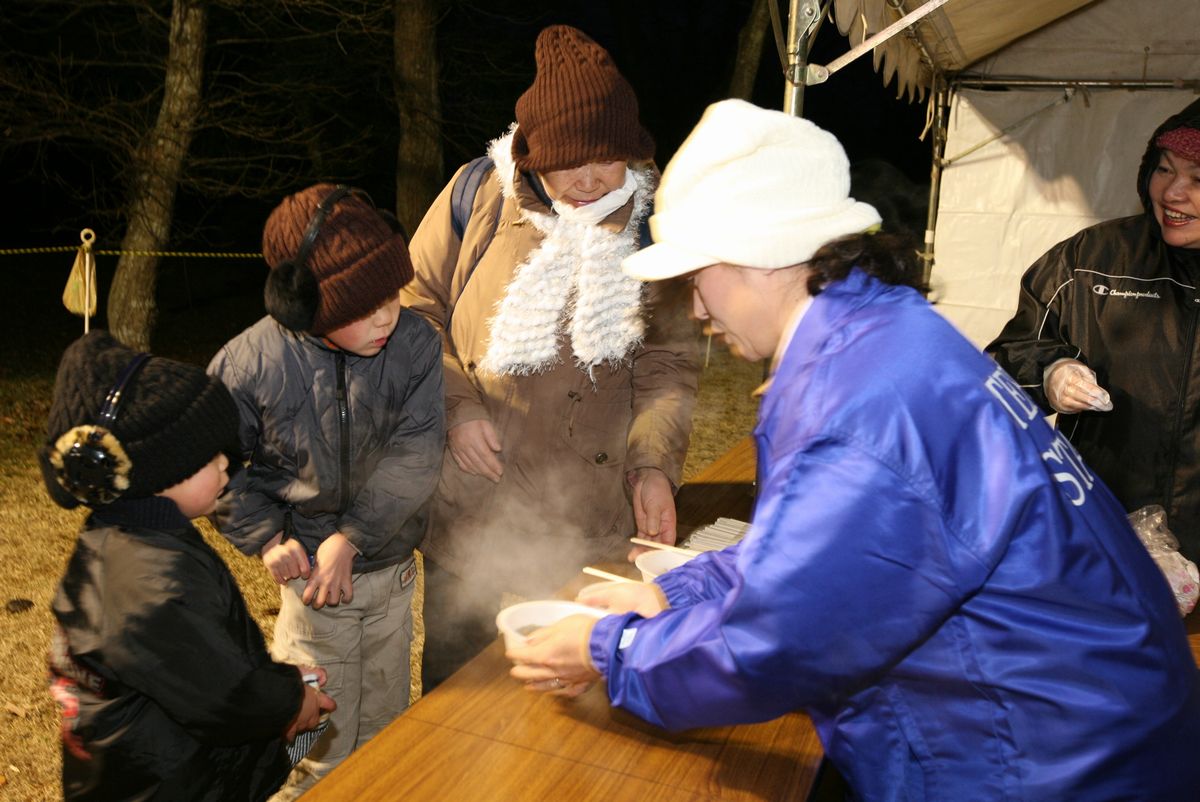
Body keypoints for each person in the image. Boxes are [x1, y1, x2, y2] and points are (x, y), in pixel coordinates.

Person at [507, 99, 1200, 801]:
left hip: (1057, 764)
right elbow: (825, 549)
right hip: (1089, 723)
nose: (697, 309)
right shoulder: (881, 332)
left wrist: (610, 650)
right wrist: (673, 589)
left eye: (699, 276)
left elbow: (777, 644)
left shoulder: (862, 403)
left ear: (766, 255)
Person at [402, 24, 699, 690]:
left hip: (589, 519)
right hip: (473, 510)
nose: (591, 178)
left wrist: (653, 466)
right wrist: (457, 406)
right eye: (569, 159)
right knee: (457, 700)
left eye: (609, 157)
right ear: (534, 155)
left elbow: (669, 370)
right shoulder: (476, 195)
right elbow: (414, 309)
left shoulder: (659, 225)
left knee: (574, 700)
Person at [209, 184, 445, 799]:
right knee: (317, 748)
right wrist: (265, 537)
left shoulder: (417, 345)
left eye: (392, 296)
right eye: (362, 308)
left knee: (386, 737)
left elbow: (417, 452)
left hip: (390, 574)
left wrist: (355, 537)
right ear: (304, 306)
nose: (386, 316)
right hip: (312, 587)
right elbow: (218, 467)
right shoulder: (247, 364)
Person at [40, 330, 334, 801]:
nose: (227, 465)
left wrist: (277, 682)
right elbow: (225, 699)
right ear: (157, 475)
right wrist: (289, 699)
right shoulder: (148, 587)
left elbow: (203, 664)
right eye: (208, 456)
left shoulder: (136, 539)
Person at [988, 98, 1200, 565]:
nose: (1173, 193)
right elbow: (1006, 357)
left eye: (1198, 179)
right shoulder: (1091, 258)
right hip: (1100, 534)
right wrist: (1050, 373)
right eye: (1164, 170)